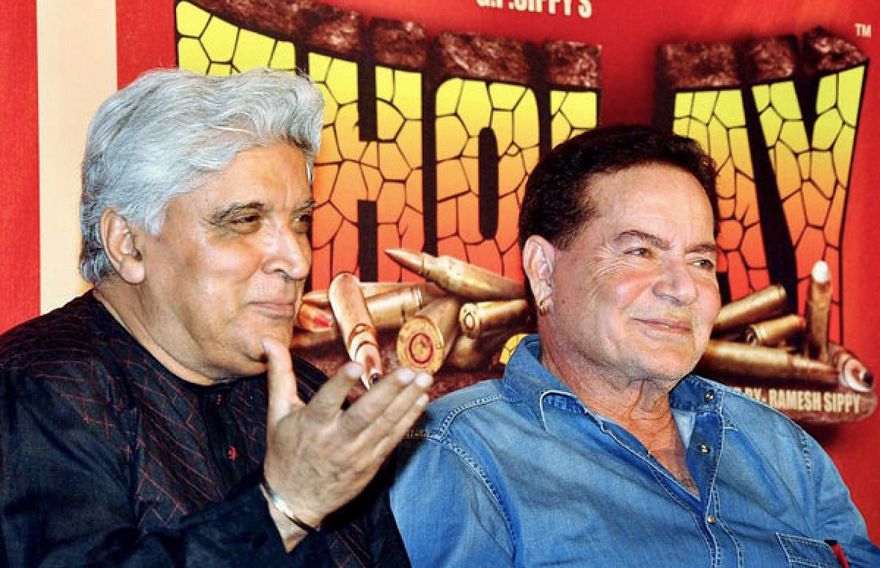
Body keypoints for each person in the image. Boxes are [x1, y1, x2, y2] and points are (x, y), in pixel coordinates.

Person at [390, 126, 880, 566]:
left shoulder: (784, 449)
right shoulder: (458, 452)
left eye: (701, 262)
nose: (683, 288)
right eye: (641, 251)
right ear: (543, 271)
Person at [0, 68, 432, 566]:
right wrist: (283, 509)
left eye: (301, 222)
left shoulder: (311, 402)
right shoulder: (41, 391)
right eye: (245, 221)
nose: (296, 260)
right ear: (128, 244)